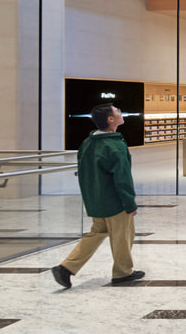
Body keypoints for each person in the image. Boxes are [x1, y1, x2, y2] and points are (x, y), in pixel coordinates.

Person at [51, 104, 143, 288]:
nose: (120, 113)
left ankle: (66, 267)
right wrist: (129, 203)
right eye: (118, 111)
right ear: (110, 119)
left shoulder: (88, 143)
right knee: (122, 236)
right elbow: (122, 178)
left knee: (97, 232)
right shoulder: (115, 146)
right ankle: (122, 272)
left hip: (96, 200)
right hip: (115, 201)